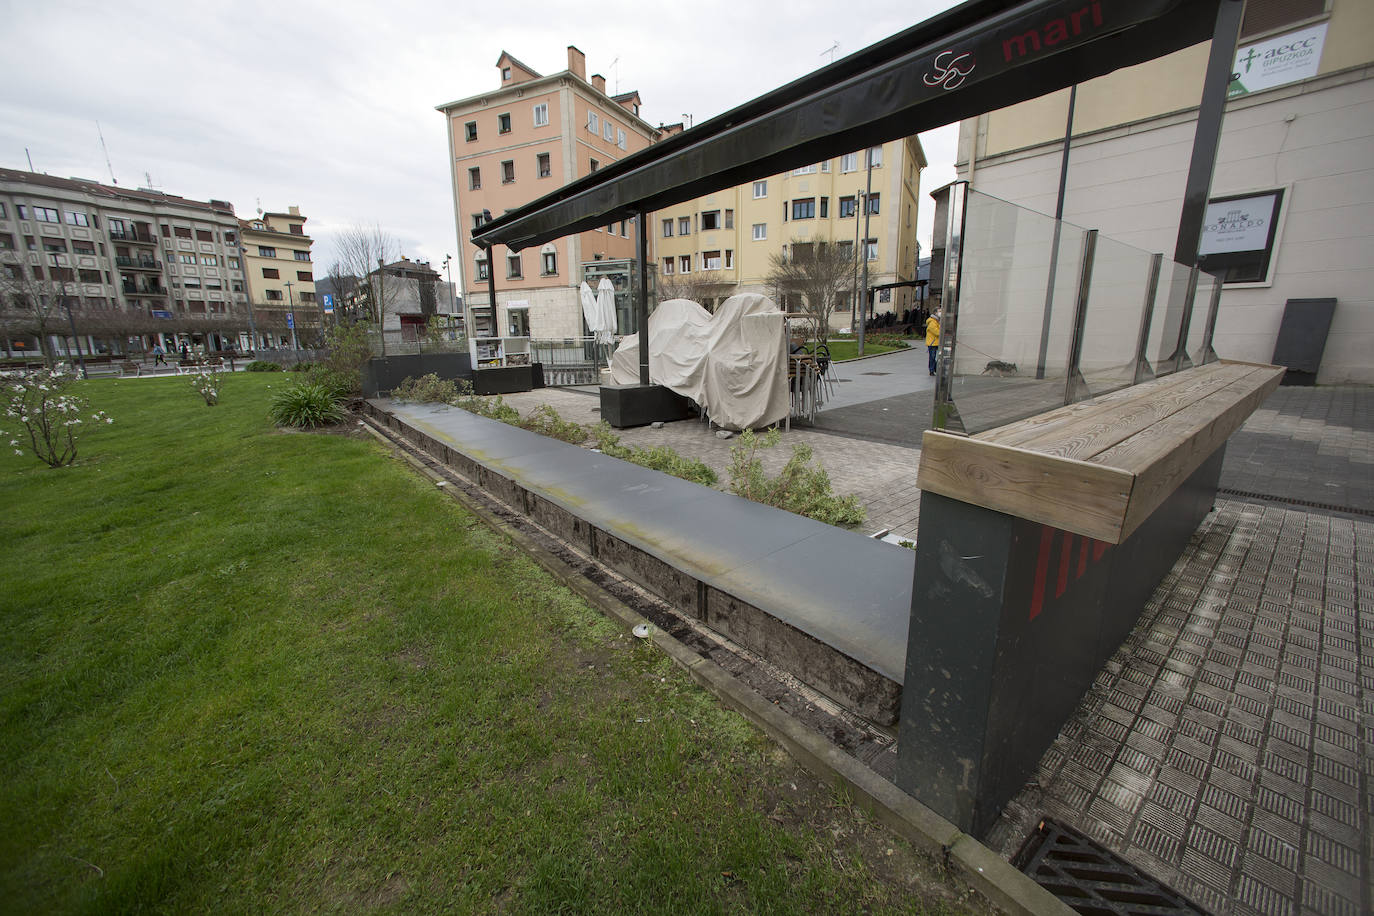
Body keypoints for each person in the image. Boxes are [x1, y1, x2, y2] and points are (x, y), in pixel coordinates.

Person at [925, 309, 941, 376]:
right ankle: (932, 370)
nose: (940, 313)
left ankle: (934, 369)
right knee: (932, 356)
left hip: (936, 342)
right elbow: (937, 332)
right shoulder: (932, 322)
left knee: (934, 356)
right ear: (935, 313)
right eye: (939, 311)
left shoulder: (937, 321)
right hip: (932, 342)